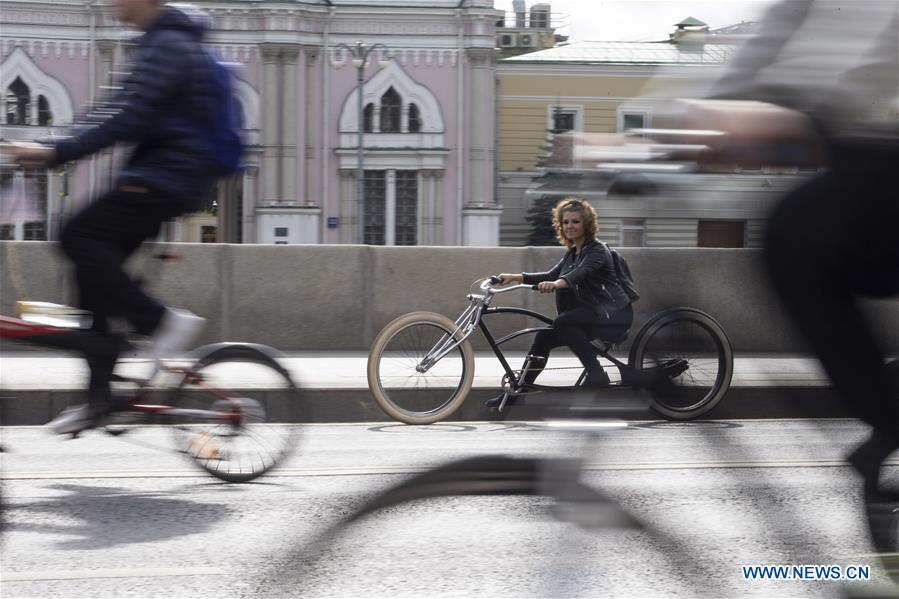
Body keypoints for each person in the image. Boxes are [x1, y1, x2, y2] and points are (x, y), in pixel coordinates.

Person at [685, 1, 898, 510]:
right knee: (796, 237)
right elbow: (773, 37)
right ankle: (886, 422)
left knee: (804, 228)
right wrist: (697, 120)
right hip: (861, 154)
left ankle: (887, 423)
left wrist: (803, 112)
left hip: (873, 145)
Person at [10, 0, 224, 434]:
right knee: (92, 275)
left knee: (76, 236)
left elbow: (129, 116)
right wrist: (54, 145)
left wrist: (56, 151)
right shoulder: (159, 41)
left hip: (166, 176)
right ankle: (99, 399)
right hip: (163, 175)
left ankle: (158, 321)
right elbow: (112, 109)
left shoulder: (169, 43)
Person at [489, 197, 634, 408]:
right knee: (543, 337)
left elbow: (580, 273)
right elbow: (550, 275)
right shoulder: (572, 253)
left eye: (575, 221)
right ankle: (515, 393)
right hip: (592, 313)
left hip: (614, 314)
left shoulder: (597, 250)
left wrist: (557, 284)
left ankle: (597, 374)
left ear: (587, 224)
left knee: (563, 322)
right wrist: (514, 277)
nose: (570, 226)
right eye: (565, 222)